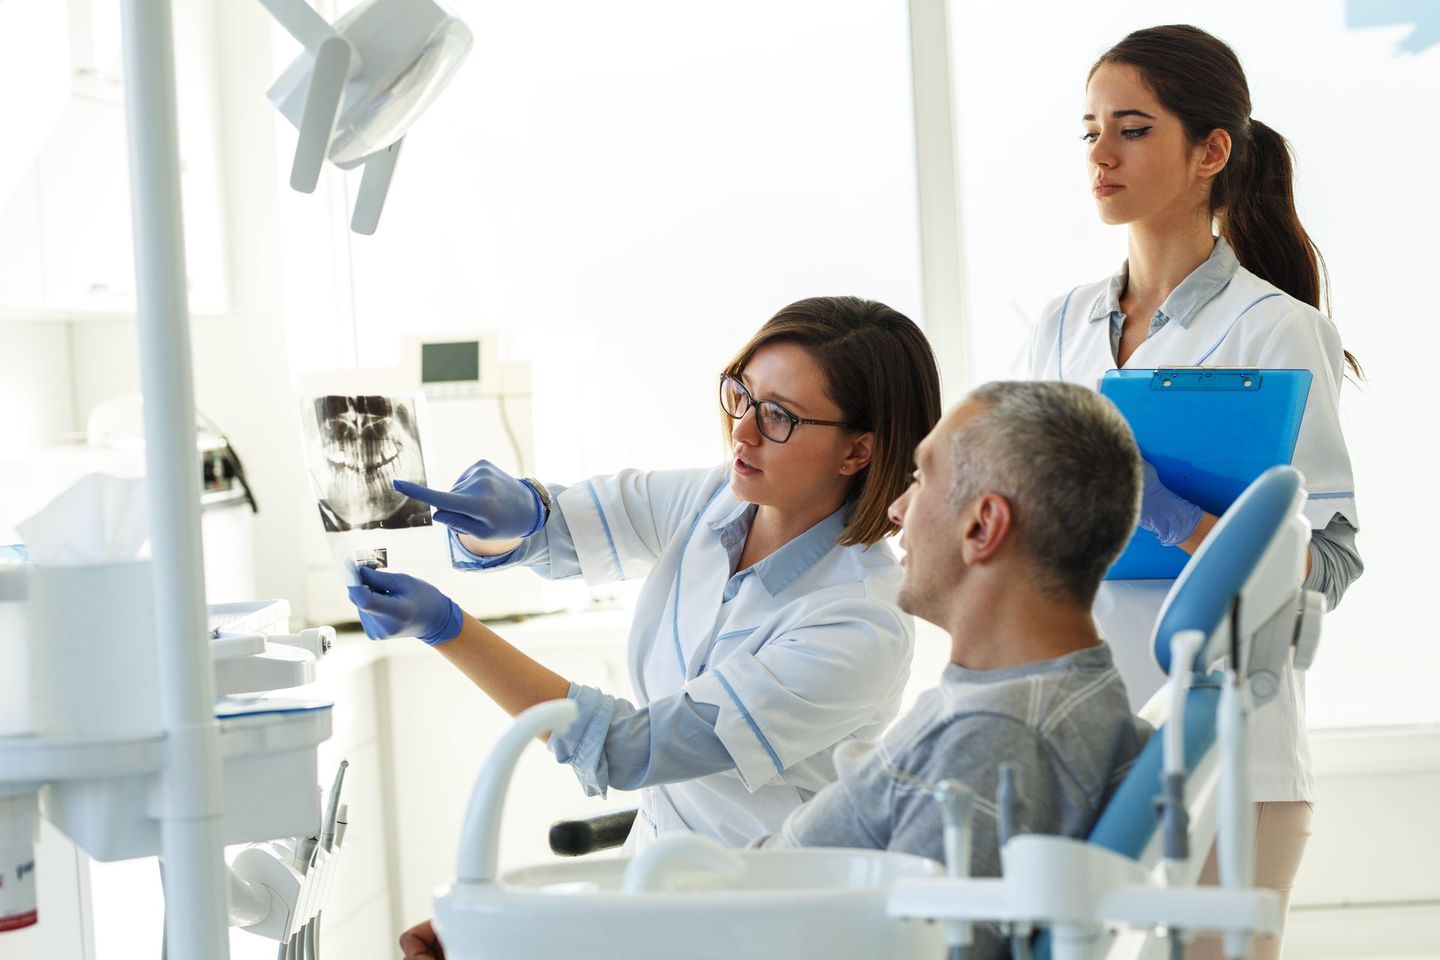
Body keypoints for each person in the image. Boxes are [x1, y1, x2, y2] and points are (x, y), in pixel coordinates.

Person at [351, 296, 941, 955]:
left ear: (857, 450)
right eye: (743, 395)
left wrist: (446, 628)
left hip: (763, 917)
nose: (742, 431)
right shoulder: (717, 497)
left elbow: (632, 749)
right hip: (658, 886)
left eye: (778, 416)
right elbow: (561, 530)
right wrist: (512, 519)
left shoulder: (858, 620)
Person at [1029, 25, 1363, 957]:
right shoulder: (1061, 325)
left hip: (1233, 767)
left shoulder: (1276, 329)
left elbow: (1330, 558)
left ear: (1210, 151)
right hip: (1085, 748)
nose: (1100, 154)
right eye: (1090, 129)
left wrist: (1163, 511)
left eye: (1131, 129)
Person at [757, 381, 1147, 960]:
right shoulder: (1025, 697)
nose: (896, 509)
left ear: (982, 527)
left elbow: (915, 948)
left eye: (920, 479)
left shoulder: (994, 738)